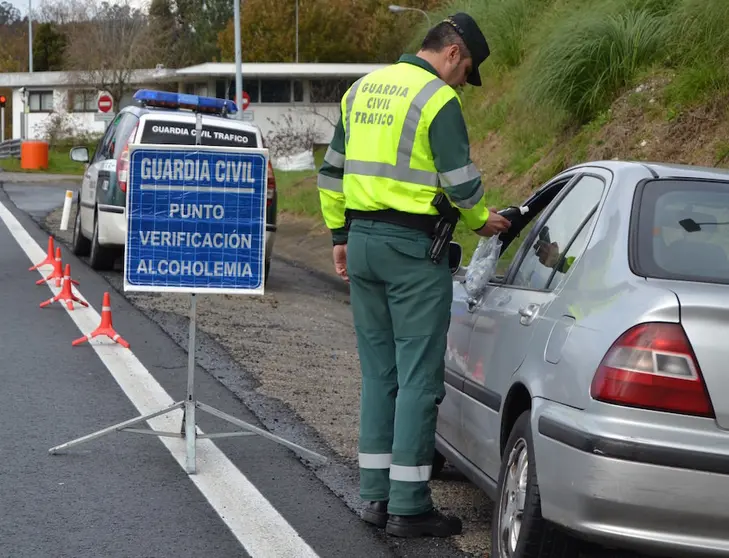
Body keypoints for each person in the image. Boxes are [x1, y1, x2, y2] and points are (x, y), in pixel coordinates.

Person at [317, 13, 511, 538]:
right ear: (452, 53)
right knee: (419, 380)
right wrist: (483, 221)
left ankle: (374, 499)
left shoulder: (360, 90)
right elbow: (460, 181)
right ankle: (408, 505)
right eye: (465, 70)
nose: (461, 83)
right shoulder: (437, 100)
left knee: (380, 376)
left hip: (361, 244)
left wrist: (339, 235)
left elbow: (332, 172)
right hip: (412, 251)